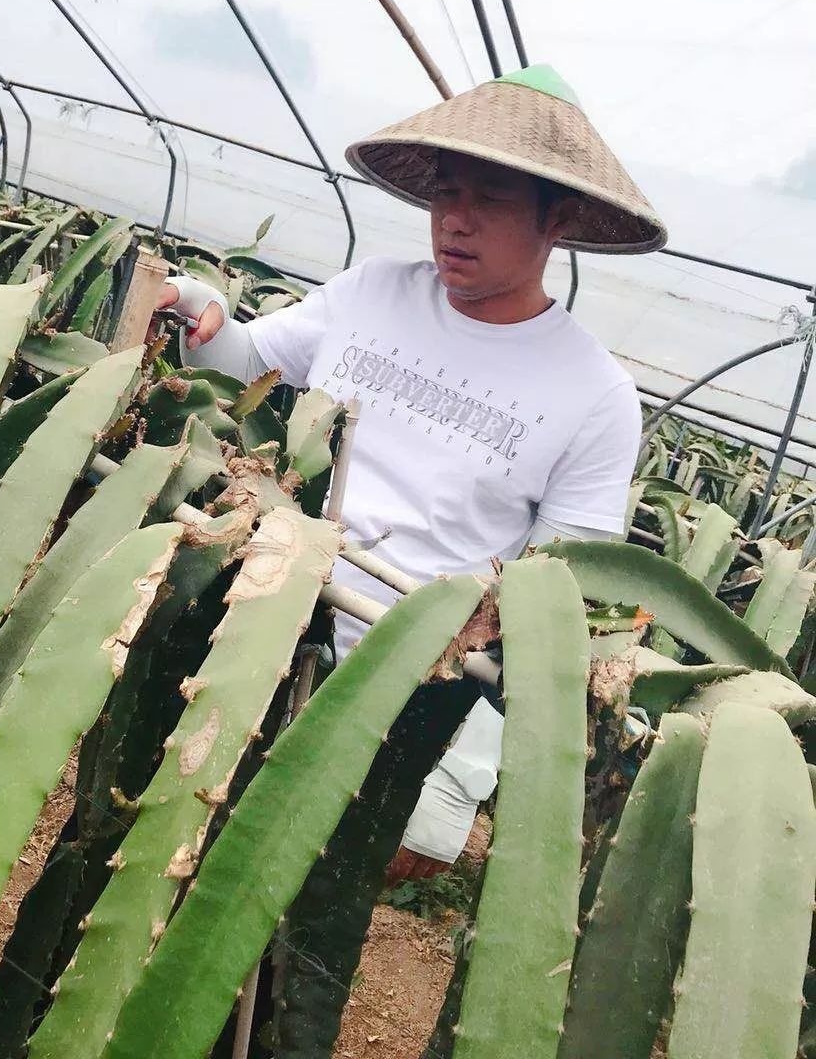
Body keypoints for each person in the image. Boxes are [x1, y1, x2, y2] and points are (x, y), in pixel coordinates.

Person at [153, 64, 666, 876]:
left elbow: (556, 605)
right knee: (156, 859)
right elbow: (250, 358)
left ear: (558, 217)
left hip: (398, 704)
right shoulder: (372, 291)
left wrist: (459, 775)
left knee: (278, 931)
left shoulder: (595, 395)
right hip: (245, 631)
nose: (455, 222)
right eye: (445, 192)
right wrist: (191, 302)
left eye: (490, 200)